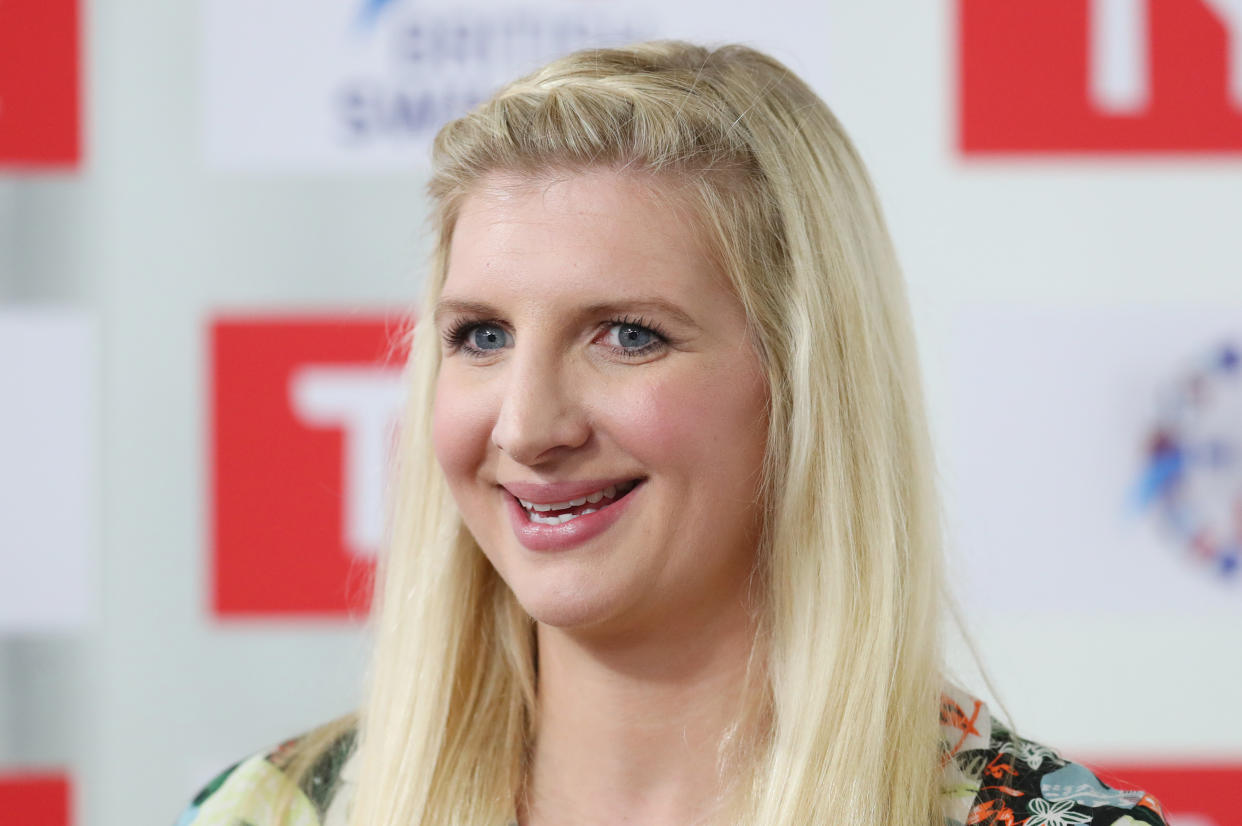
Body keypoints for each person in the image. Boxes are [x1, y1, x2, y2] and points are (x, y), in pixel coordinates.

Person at [177, 41, 1170, 826]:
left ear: (804, 384)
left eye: (627, 335)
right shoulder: (265, 814)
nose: (527, 426)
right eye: (482, 335)